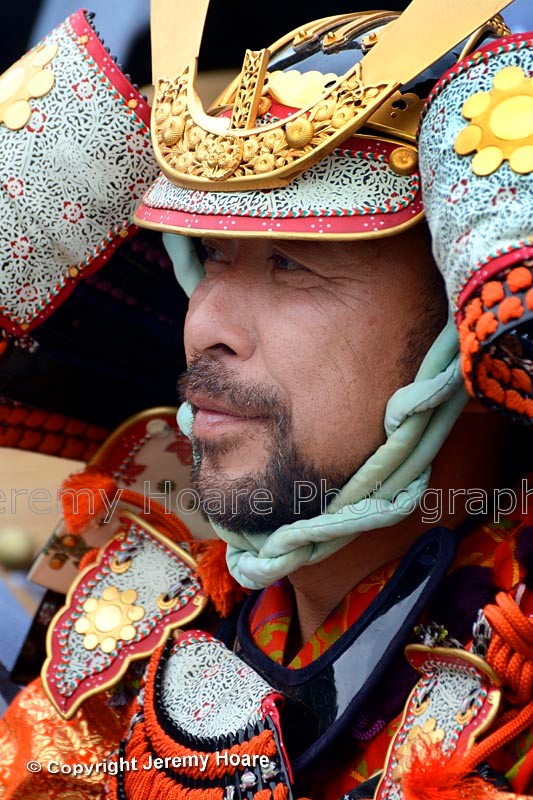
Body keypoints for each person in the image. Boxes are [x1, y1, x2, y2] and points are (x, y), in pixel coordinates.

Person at [2, 3, 533, 800]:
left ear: (462, 322)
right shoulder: (151, 572)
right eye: (211, 256)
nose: (203, 327)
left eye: (293, 265)